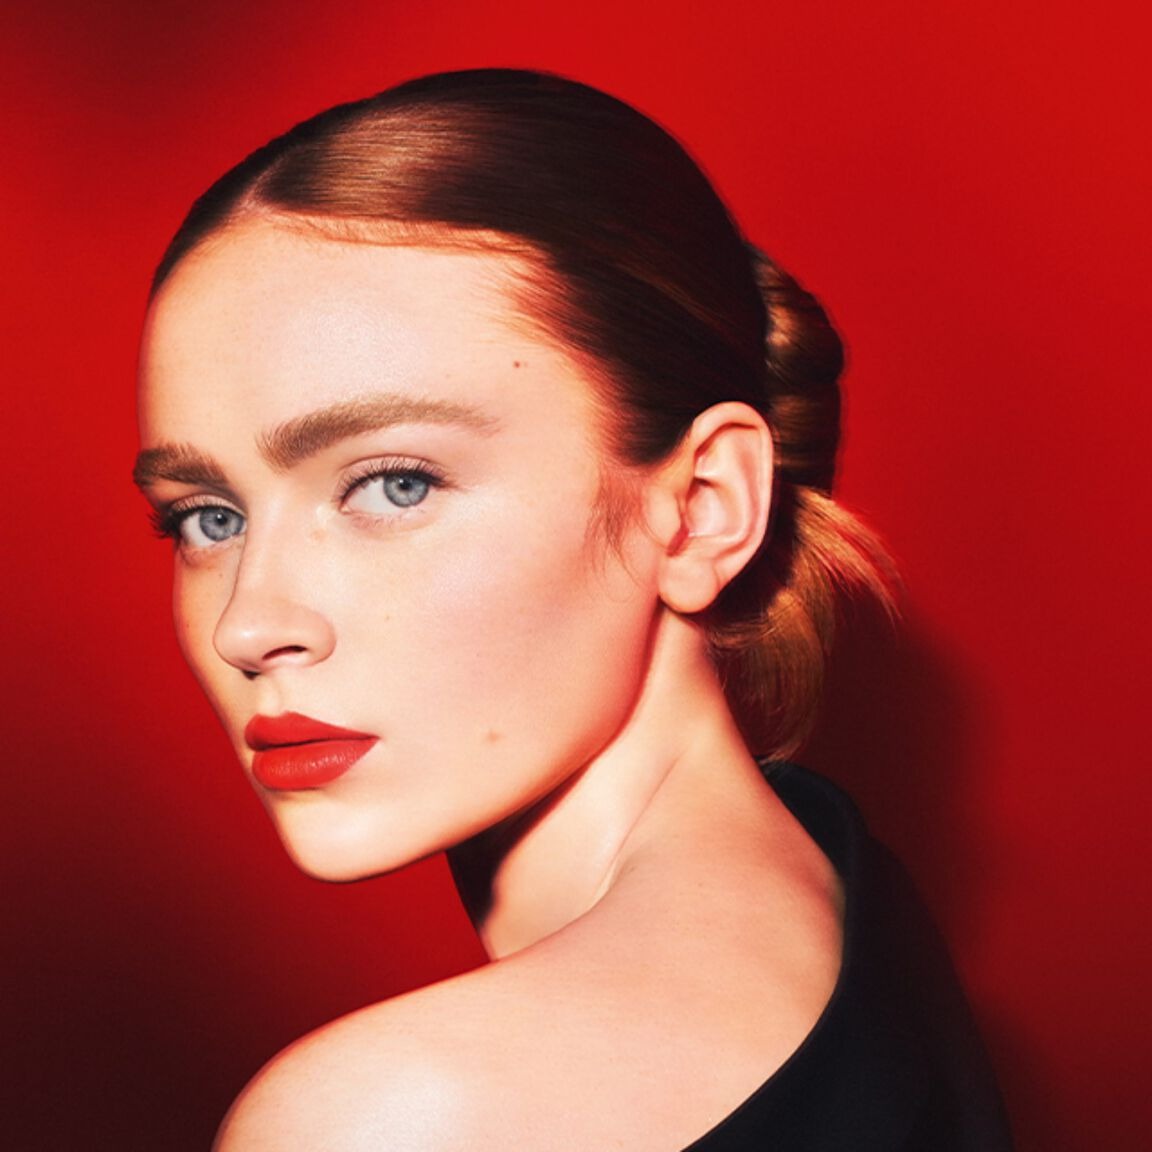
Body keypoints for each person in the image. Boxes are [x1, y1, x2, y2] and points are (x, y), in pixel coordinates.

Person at [134, 69, 1011, 1150]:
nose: (247, 626)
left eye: (396, 483)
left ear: (698, 510)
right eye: (207, 516)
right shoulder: (831, 891)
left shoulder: (394, 1118)